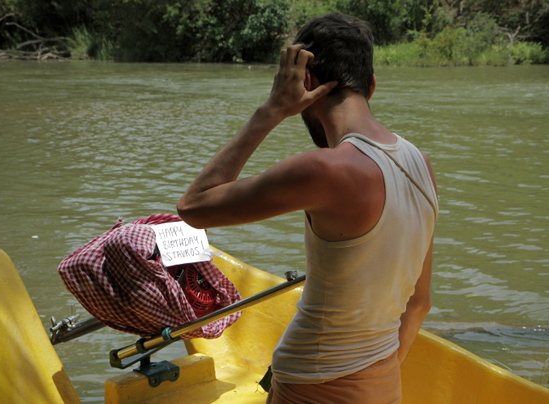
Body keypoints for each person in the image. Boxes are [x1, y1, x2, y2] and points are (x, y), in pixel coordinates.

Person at [177, 12, 438, 404]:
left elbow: (193, 207)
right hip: (383, 384)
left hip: (311, 385)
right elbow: (419, 304)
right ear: (371, 85)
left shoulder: (325, 170)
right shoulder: (421, 165)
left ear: (305, 82)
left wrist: (271, 110)